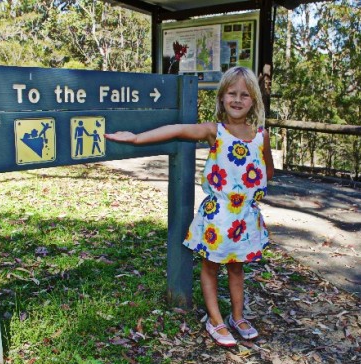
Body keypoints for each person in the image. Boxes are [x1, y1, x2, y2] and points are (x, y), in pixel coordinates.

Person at [104, 67, 274, 347]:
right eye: (231, 93)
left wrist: (250, 192)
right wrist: (136, 138)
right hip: (218, 217)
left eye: (244, 95)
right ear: (221, 98)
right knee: (210, 266)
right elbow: (179, 129)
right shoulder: (214, 131)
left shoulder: (260, 136)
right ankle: (215, 319)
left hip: (244, 218)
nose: (237, 99)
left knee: (236, 268)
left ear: (253, 100)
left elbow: (267, 169)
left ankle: (238, 316)